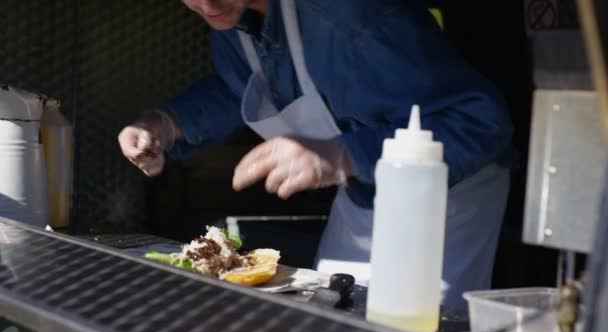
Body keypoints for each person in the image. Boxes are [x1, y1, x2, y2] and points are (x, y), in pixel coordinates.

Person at [118, 0, 513, 309]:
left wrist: (341, 155)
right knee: (330, 314)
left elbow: (482, 122)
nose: (206, 3)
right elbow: (242, 87)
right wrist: (169, 123)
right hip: (361, 193)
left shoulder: (353, 17)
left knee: (413, 329)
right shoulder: (230, 15)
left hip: (445, 200)